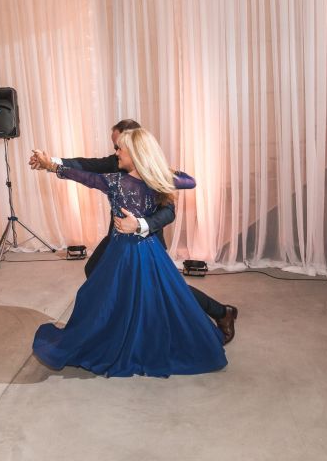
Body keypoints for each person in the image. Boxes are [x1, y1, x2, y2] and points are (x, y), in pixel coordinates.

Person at [32, 128, 227, 376]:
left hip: (140, 251)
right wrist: (51, 165)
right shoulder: (115, 180)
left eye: (120, 148)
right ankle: (130, 335)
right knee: (120, 295)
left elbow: (179, 197)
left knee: (156, 295)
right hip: (128, 250)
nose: (116, 153)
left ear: (135, 154)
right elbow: (84, 175)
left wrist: (140, 221)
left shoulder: (148, 180)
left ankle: (135, 341)